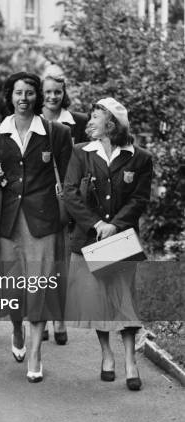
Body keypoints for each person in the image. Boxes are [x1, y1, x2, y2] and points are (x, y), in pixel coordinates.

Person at [0, 72, 72, 382]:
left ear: (37, 97)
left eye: (30, 93)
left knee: (39, 285)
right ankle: (16, 328)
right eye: (18, 93)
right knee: (12, 287)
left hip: (43, 221)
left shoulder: (56, 132)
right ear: (10, 96)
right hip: (7, 221)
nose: (24, 98)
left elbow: (69, 179)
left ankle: (35, 353)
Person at [63, 97, 152, 391]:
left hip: (121, 240)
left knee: (124, 303)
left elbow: (139, 199)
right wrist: (96, 223)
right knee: (98, 303)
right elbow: (71, 193)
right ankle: (106, 356)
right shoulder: (81, 153)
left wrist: (115, 224)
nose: (89, 122)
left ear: (111, 124)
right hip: (90, 239)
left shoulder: (139, 158)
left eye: (96, 118)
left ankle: (130, 362)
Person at [40, 74, 89, 345]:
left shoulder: (78, 122)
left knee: (63, 262)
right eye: (47, 92)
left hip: (71, 198)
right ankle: (42, 318)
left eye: (57, 92)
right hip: (39, 199)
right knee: (42, 260)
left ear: (63, 93)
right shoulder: (33, 121)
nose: (52, 97)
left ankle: (58, 317)